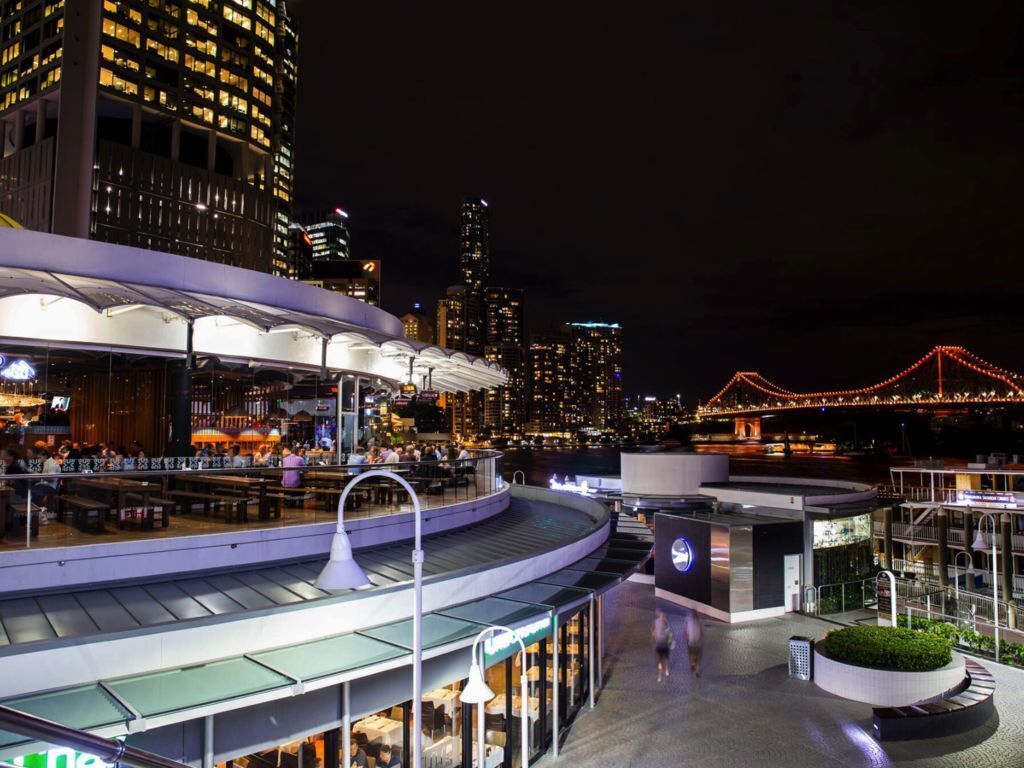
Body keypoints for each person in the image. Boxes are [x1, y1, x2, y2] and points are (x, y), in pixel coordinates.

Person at [651, 608, 673, 683]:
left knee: (664, 660)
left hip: (664, 646)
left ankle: (665, 671)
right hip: (661, 646)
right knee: (661, 661)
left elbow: (670, 638)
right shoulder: (660, 626)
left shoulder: (666, 629)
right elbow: (653, 634)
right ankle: (661, 674)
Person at [682, 608, 705, 677]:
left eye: (694, 613)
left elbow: (701, 631)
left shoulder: (699, 621)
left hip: (696, 643)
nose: (693, 615)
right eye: (692, 613)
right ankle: (693, 664)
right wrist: (685, 640)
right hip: (691, 642)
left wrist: (701, 640)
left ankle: (697, 671)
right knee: (692, 656)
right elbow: (685, 631)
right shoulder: (688, 620)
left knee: (697, 657)